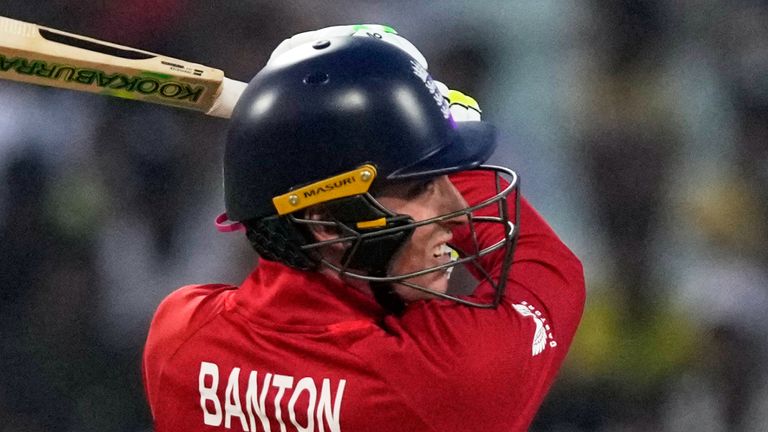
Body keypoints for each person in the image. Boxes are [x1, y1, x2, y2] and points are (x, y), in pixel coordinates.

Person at [143, 27, 585, 432]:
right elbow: (549, 269)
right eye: (421, 187)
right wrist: (439, 134)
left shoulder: (181, 337)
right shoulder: (443, 376)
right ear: (325, 223)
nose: (457, 213)